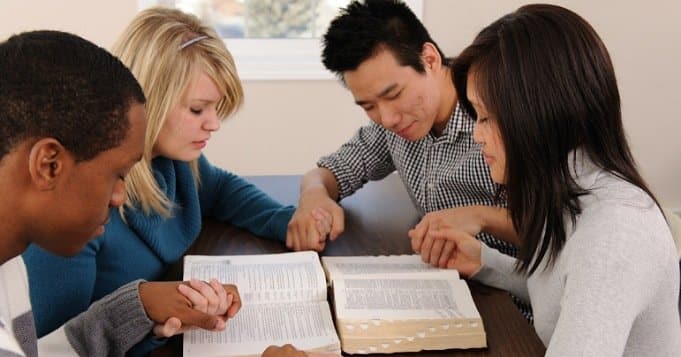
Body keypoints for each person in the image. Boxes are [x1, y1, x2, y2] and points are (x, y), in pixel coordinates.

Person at [22, 7, 323, 356]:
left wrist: (285, 221)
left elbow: (220, 189)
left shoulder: (173, 162)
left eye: (216, 108)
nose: (214, 123)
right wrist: (149, 323)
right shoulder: (75, 213)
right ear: (147, 101)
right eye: (198, 109)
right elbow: (61, 345)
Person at [431, 4, 681, 355]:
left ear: (537, 116)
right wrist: (483, 262)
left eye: (486, 117)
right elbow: (564, 293)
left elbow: (592, 274)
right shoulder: (576, 192)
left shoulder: (614, 233)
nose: (477, 136)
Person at [0, 30, 241, 357]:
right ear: (49, 165)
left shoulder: (9, 264)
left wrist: (139, 307)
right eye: (117, 175)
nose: (119, 197)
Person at [286, 0, 517, 266]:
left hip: (515, 290)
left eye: (394, 94)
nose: (387, 119)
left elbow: (563, 229)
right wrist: (313, 195)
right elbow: (331, 170)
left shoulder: (500, 114)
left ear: (429, 60)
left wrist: (481, 216)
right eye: (368, 106)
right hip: (448, 276)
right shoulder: (396, 126)